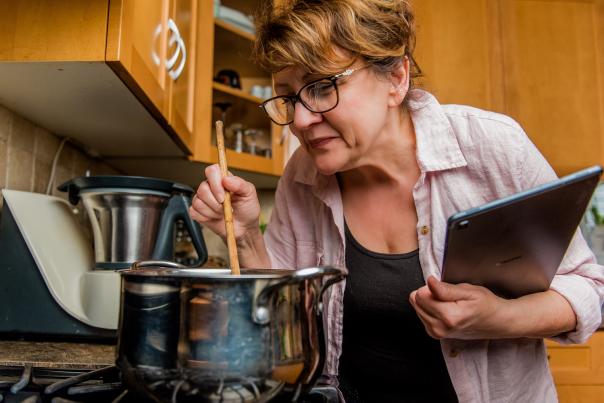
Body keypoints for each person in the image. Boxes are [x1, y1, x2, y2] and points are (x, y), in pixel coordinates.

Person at [189, 0, 604, 401]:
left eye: (321, 87)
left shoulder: (491, 148)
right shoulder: (302, 176)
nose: (300, 120)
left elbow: (591, 288)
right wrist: (243, 235)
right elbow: (282, 328)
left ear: (396, 78)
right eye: (289, 97)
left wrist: (498, 317)